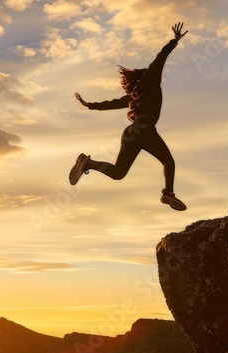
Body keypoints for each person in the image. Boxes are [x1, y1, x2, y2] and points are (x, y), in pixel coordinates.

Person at [69, 22, 188, 211]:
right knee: (168, 161)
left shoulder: (134, 96)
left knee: (118, 173)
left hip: (131, 133)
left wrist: (89, 105)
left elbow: (111, 103)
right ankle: (168, 193)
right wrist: (174, 41)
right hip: (144, 128)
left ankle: (88, 162)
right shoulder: (151, 78)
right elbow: (160, 58)